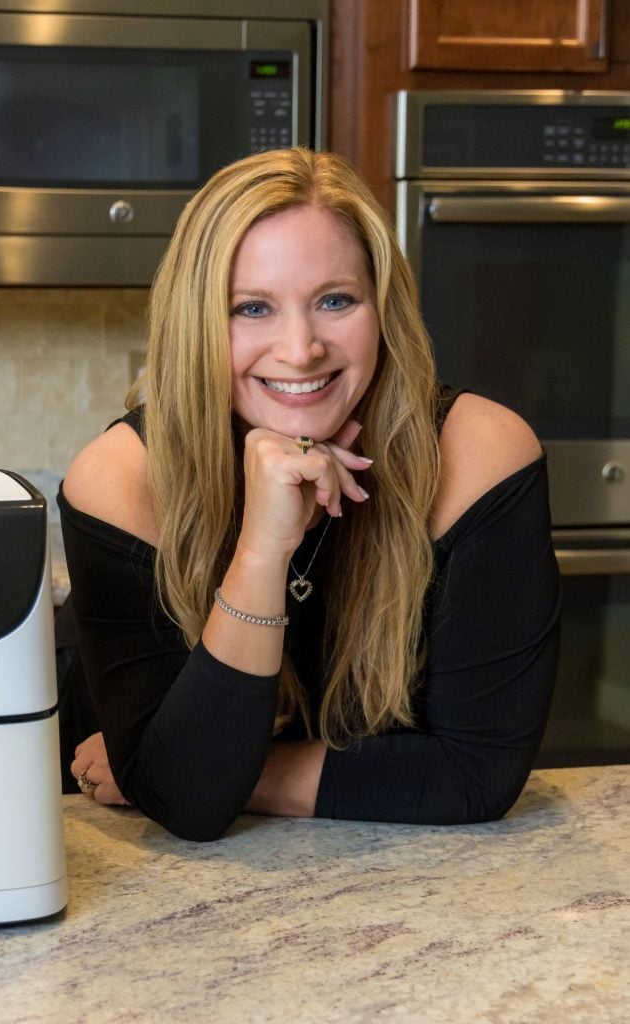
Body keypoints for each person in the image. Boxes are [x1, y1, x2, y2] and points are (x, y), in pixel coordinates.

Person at [57, 147, 560, 842]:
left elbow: (473, 775)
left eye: (334, 300)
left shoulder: (478, 453)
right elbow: (190, 805)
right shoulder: (121, 479)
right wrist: (264, 549)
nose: (300, 349)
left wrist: (177, 771)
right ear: (197, 323)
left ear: (381, 307)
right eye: (252, 308)